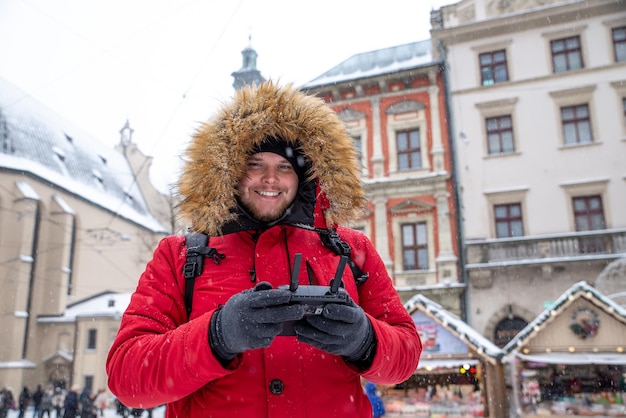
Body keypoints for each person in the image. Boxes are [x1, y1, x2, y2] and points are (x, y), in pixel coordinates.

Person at [106, 81, 422, 417]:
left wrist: (365, 340)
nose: (270, 179)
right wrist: (216, 336)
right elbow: (127, 377)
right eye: (256, 164)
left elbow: (405, 356)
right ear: (231, 172)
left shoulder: (351, 249)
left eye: (284, 167)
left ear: (305, 177)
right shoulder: (179, 255)